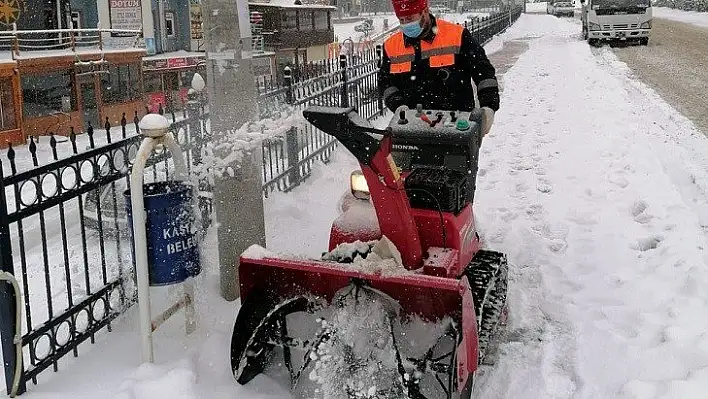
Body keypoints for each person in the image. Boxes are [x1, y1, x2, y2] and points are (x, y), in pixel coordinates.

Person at [378, 0, 500, 137]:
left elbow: (483, 71)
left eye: (410, 18)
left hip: (457, 126)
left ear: (425, 11)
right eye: (402, 19)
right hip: (412, 126)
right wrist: (398, 105)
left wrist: (489, 106)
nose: (406, 24)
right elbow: (385, 82)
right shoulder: (391, 46)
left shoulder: (457, 35)